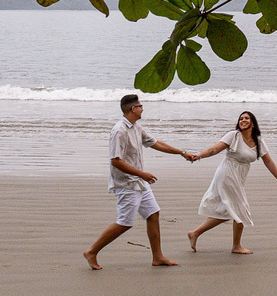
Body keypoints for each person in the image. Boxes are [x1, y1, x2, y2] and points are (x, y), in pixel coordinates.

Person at [83, 94, 197, 269]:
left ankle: (157, 257)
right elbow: (116, 161)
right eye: (140, 106)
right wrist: (141, 174)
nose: (142, 108)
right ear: (132, 109)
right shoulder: (119, 131)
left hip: (139, 182)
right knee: (125, 222)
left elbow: (155, 143)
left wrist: (182, 153)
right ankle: (91, 251)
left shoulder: (136, 127)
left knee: (153, 214)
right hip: (127, 183)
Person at [187, 111, 277, 254]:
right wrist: (198, 156)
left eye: (246, 118)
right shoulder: (233, 136)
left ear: (253, 123)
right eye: (241, 118)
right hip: (227, 174)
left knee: (228, 210)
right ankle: (235, 246)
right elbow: (215, 149)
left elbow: (268, 161)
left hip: (239, 176)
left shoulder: (258, 141)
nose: (243, 120)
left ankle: (195, 233)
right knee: (239, 209)